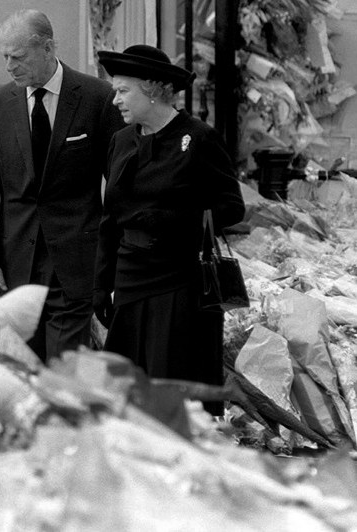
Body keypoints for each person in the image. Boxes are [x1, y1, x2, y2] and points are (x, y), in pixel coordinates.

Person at [0, 10, 124, 362]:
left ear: (48, 48)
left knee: (64, 370)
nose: (9, 66)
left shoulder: (98, 98)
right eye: (4, 56)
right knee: (21, 369)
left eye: (18, 56)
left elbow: (118, 186)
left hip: (77, 262)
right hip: (15, 265)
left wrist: (113, 259)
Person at [93, 45, 245, 392]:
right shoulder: (121, 141)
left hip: (179, 284)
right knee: (127, 392)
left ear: (152, 89)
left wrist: (173, 219)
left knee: (173, 389)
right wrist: (100, 285)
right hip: (130, 281)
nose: (115, 100)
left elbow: (232, 206)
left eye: (122, 91)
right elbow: (110, 219)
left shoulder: (199, 138)